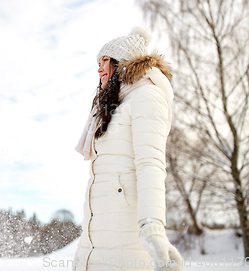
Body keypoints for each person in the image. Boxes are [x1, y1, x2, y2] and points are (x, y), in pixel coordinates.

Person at [73, 27, 182, 270]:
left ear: (121, 63)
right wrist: (82, 255)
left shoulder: (146, 95)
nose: (99, 68)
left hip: (125, 239)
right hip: (99, 239)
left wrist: (153, 225)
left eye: (105, 61)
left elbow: (150, 163)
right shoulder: (112, 106)